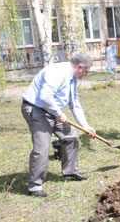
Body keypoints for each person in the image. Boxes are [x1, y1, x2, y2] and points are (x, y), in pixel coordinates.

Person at [21, 53, 96, 197]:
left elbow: (75, 103)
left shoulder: (72, 79)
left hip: (52, 111)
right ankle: (35, 186)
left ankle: (70, 172)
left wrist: (85, 125)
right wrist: (58, 113)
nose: (86, 74)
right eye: (86, 71)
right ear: (80, 67)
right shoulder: (57, 72)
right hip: (36, 109)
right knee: (42, 147)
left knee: (71, 135)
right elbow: (45, 96)